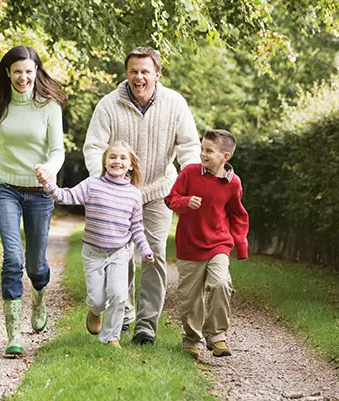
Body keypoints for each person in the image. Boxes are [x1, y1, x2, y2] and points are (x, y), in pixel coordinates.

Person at [83, 47, 201, 345]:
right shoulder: (109, 105)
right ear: (127, 74)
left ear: (157, 74)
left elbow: (189, 146)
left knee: (154, 254)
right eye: (134, 71)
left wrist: (192, 179)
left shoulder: (174, 104)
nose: (139, 77)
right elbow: (93, 147)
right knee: (122, 255)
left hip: (158, 191)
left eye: (145, 71)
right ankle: (123, 315)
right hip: (119, 195)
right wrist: (105, 183)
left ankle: (146, 324)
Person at [0, 45, 67, 357]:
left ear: (37, 73)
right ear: (8, 73)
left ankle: (39, 296)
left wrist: (48, 170)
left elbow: (57, 150)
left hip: (39, 193)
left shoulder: (49, 106)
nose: (23, 77)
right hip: (6, 187)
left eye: (28, 71)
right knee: (12, 258)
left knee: (36, 266)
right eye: (17, 71)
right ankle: (13, 334)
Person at [35, 141, 155, 348]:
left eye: (122, 158)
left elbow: (136, 227)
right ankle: (95, 310)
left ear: (131, 165)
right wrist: (48, 183)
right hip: (93, 252)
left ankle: (111, 337)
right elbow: (65, 196)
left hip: (119, 252)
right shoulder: (92, 185)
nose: (117, 161)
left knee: (119, 295)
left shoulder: (134, 195)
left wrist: (145, 250)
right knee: (98, 299)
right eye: (113, 157)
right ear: (105, 161)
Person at [164, 129, 249, 359]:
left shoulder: (233, 183)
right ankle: (192, 339)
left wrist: (240, 245)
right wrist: (185, 201)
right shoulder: (190, 173)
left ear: (225, 157)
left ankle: (217, 336)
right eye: (202, 149)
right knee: (189, 298)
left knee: (221, 283)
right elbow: (171, 199)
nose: (202, 154)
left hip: (218, 244)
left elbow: (238, 215)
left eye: (209, 151)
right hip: (189, 245)